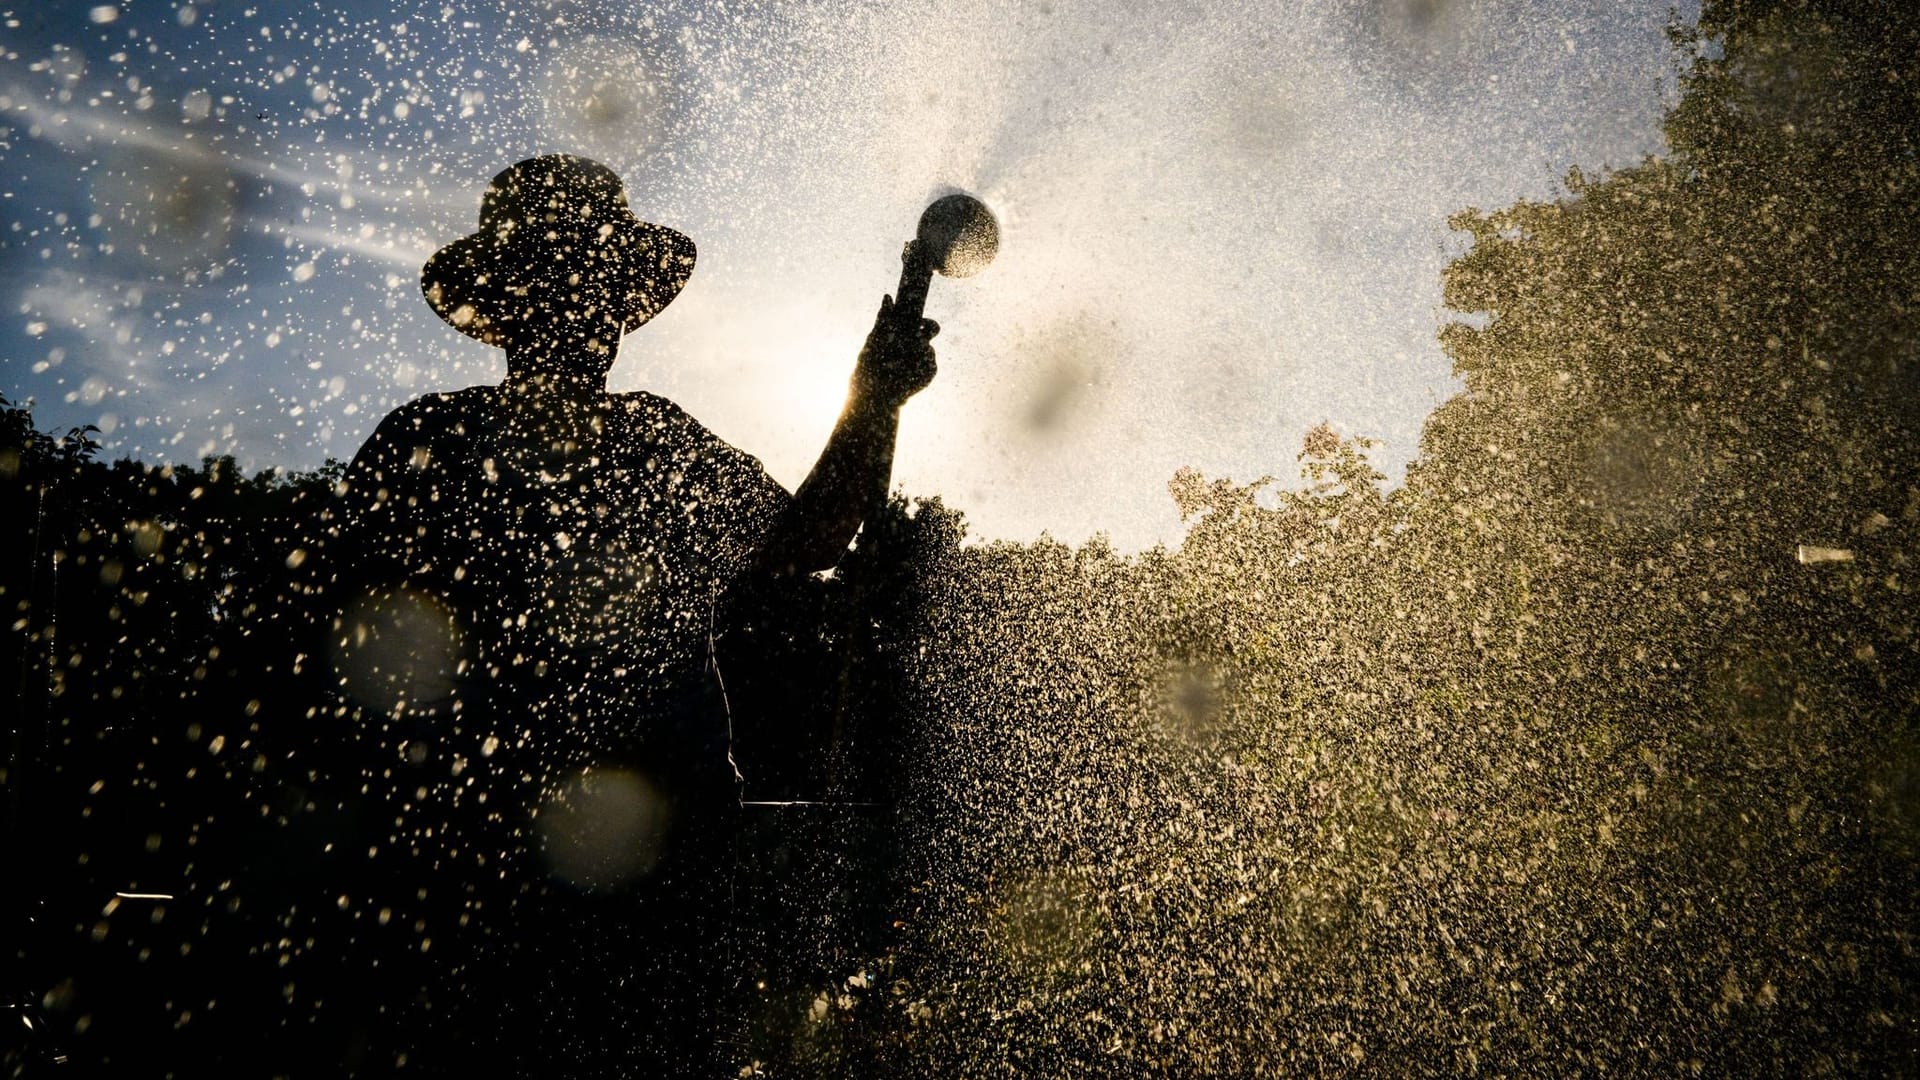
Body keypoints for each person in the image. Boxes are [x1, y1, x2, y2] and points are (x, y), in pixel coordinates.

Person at [327, 154, 937, 1076]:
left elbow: (810, 537)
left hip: (650, 894)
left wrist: (875, 400)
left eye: (604, 285)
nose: (590, 306)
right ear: (513, 299)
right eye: (569, 278)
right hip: (487, 899)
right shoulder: (430, 445)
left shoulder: (631, 440)